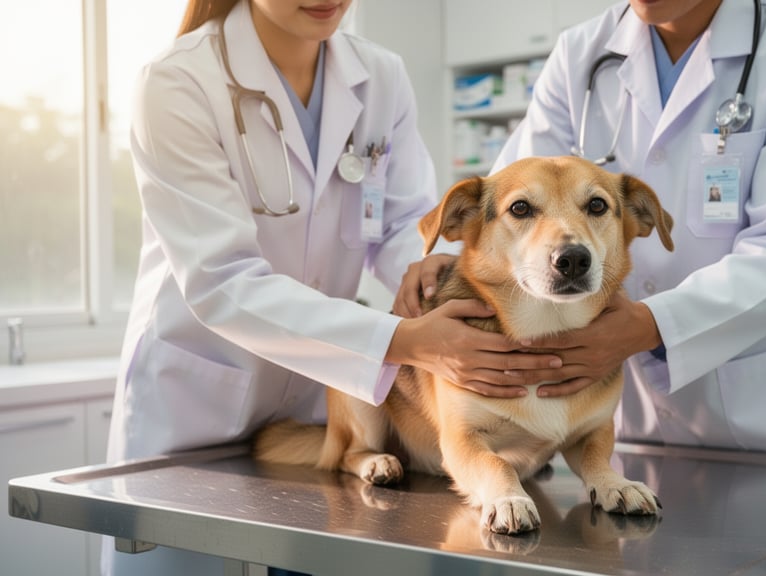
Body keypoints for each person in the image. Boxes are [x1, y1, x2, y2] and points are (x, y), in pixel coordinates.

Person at [104, 1, 561, 574]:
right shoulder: (176, 81)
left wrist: (421, 271)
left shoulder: (380, 76)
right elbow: (222, 280)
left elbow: (402, 224)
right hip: (195, 407)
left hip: (316, 405)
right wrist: (402, 339)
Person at [404, 0, 766, 457]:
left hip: (761, 416)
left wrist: (652, 324)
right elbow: (513, 196)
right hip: (611, 415)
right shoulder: (581, 53)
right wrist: (458, 264)